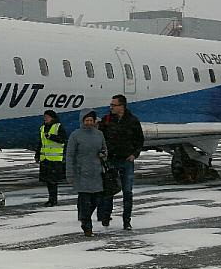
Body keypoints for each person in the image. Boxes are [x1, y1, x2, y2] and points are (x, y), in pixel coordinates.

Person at [100, 94, 144, 230]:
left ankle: (126, 221)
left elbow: (139, 139)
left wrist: (134, 154)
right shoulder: (107, 120)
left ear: (122, 106)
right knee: (109, 191)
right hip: (111, 160)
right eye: (111, 105)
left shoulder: (132, 121)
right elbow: (100, 137)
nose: (111, 107)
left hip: (126, 161)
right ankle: (106, 217)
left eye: (114, 105)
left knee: (127, 192)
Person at [65, 108, 108, 236]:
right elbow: (70, 155)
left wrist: (104, 155)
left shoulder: (99, 134)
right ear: (82, 121)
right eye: (87, 120)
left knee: (96, 200)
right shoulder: (75, 135)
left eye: (91, 120)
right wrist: (69, 173)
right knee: (85, 201)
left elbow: (105, 149)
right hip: (82, 173)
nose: (89, 123)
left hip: (96, 172)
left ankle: (84, 217)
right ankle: (87, 226)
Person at [34, 110, 67, 207]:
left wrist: (52, 137)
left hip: (55, 159)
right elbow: (41, 143)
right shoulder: (43, 128)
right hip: (45, 158)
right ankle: (51, 198)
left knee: (53, 181)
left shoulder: (58, 126)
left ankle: (53, 200)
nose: (45, 118)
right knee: (48, 181)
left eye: (47, 117)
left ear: (52, 118)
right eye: (45, 117)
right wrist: (37, 154)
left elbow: (63, 140)